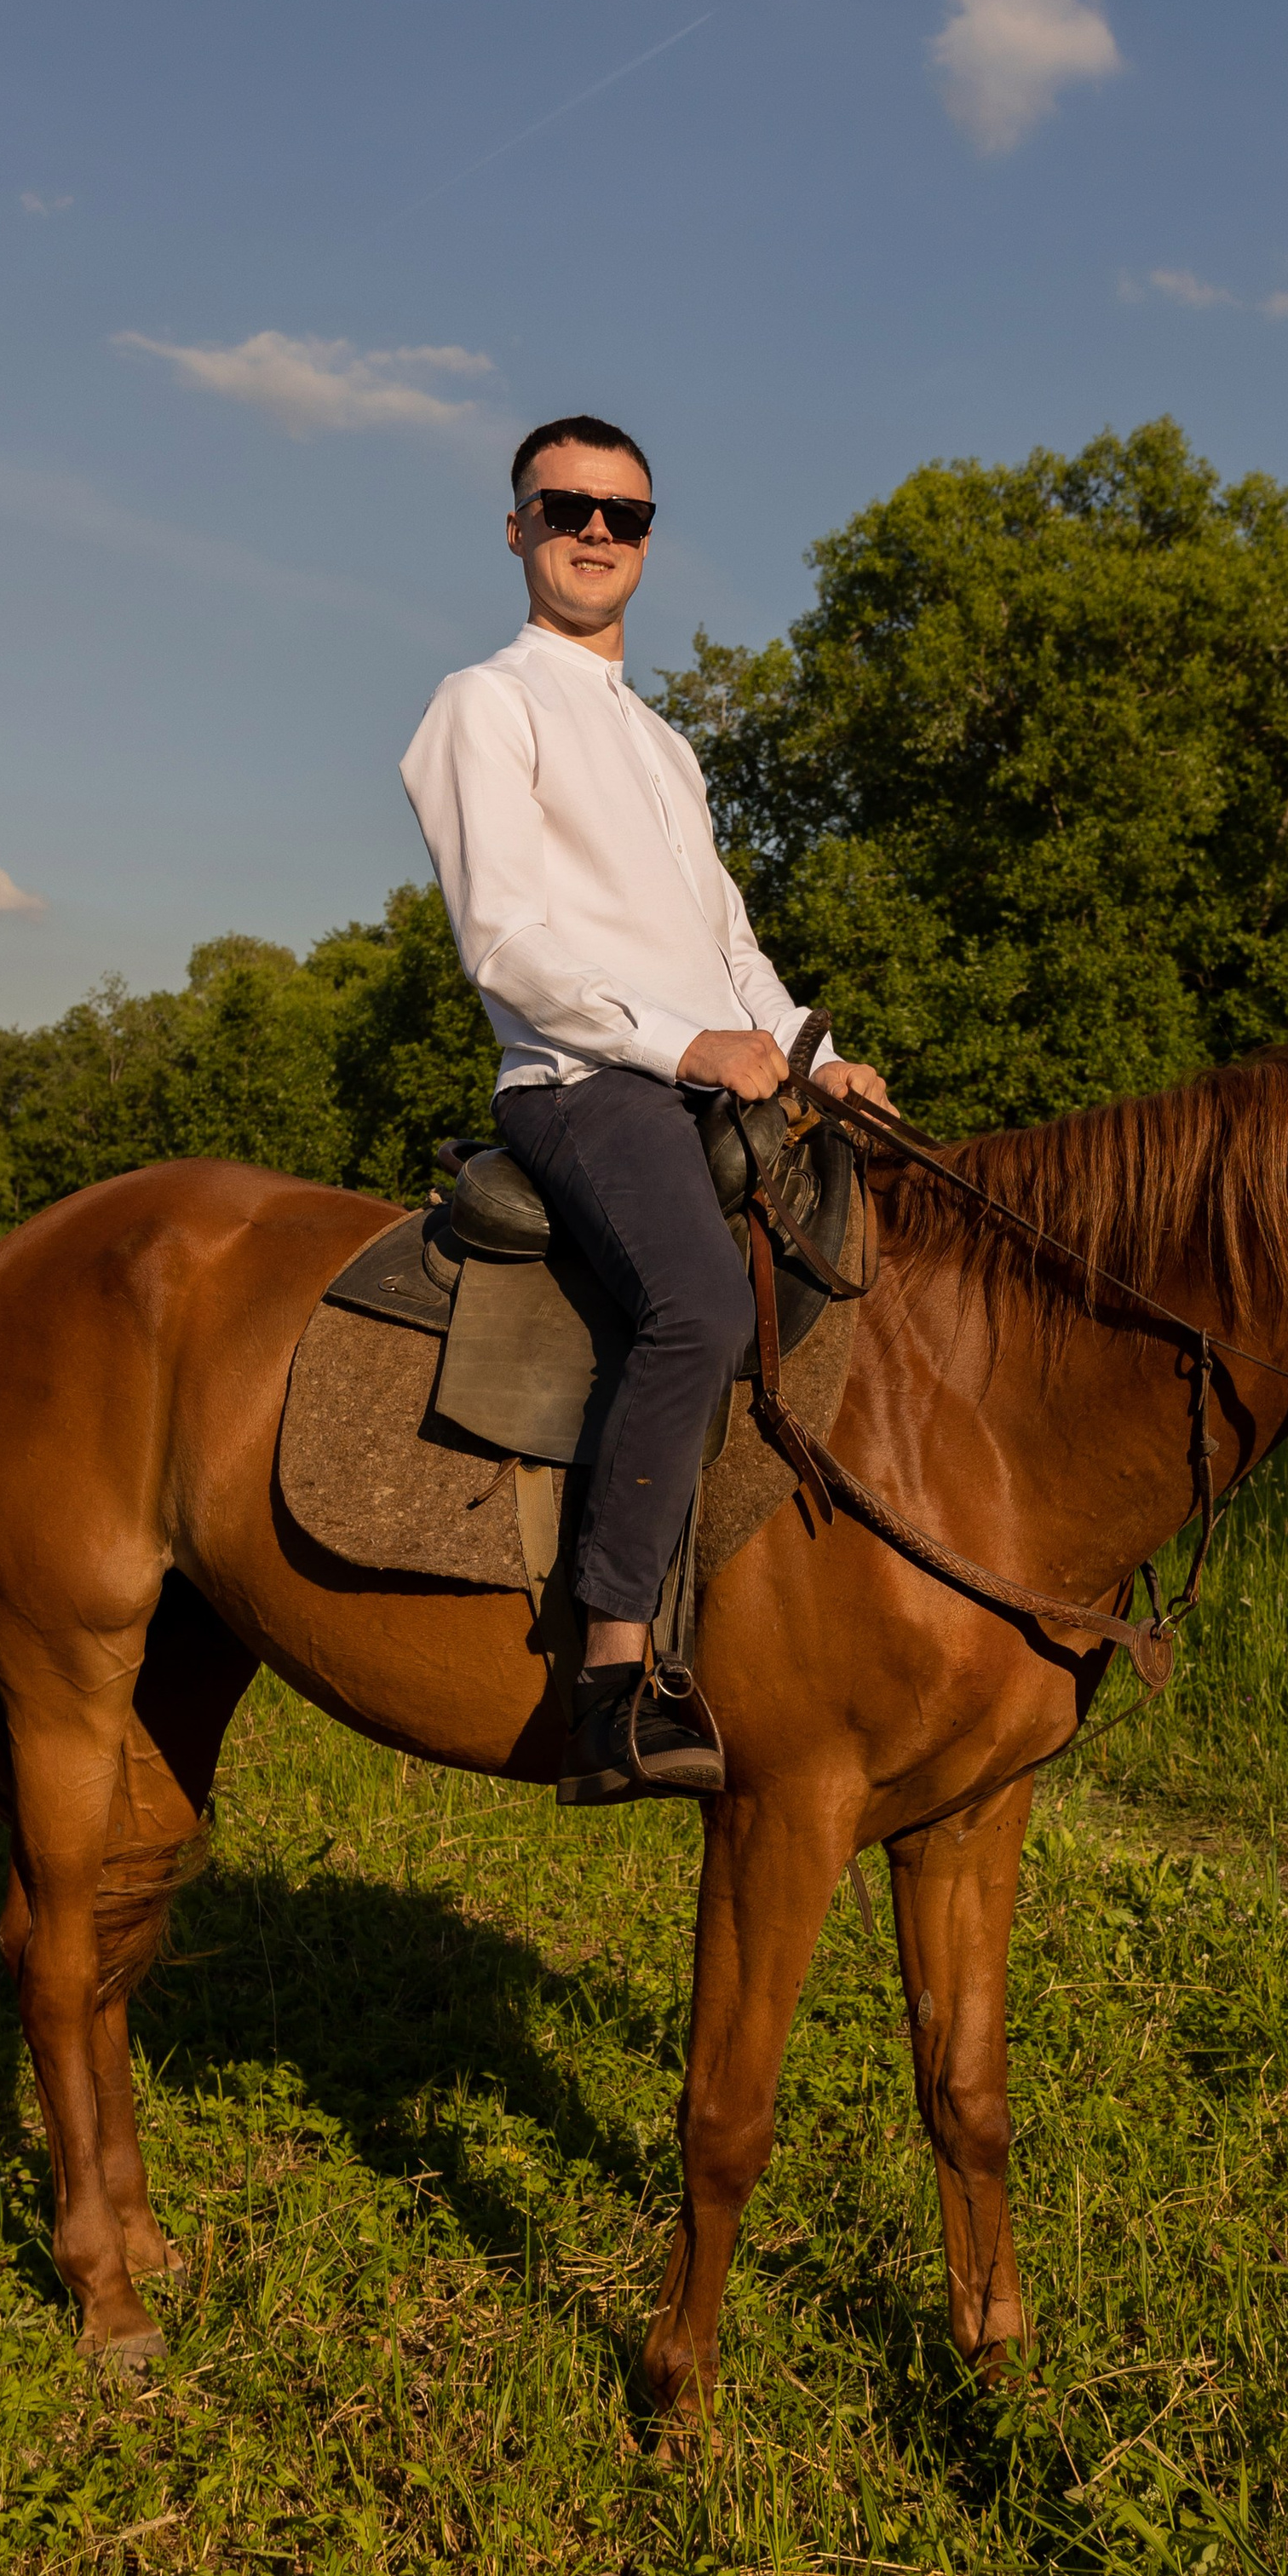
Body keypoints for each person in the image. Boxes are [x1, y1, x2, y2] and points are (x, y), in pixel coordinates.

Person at [400, 415, 893, 1803]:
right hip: (581, 1082)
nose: (596, 530)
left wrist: (813, 1053)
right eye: (565, 506)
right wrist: (689, 1047)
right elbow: (506, 945)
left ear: (650, 538)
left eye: (625, 513)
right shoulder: (482, 707)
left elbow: (725, 938)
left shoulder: (667, 746)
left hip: (711, 1063)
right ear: (518, 530)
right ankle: (615, 1667)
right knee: (702, 1306)